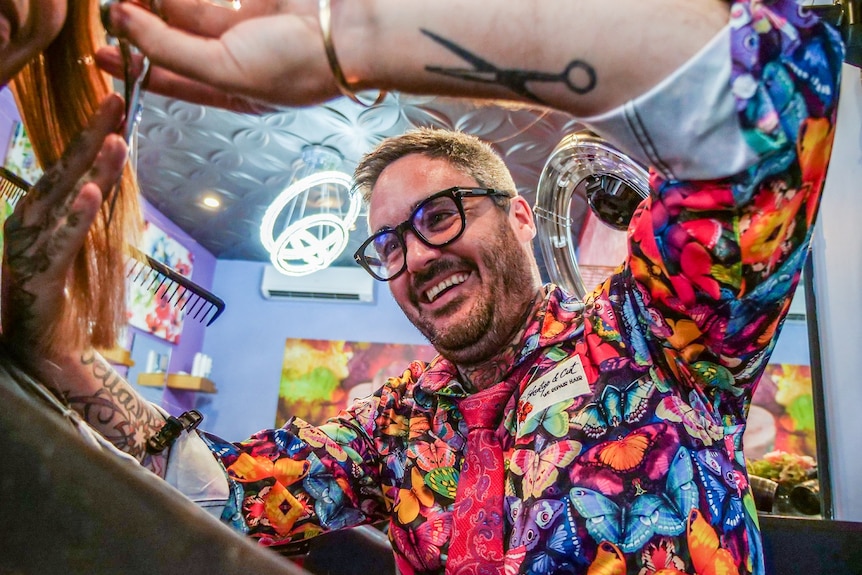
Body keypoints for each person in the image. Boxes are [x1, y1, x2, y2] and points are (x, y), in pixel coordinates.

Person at [2, 1, 845, 575]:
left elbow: (771, 95)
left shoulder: (656, 340)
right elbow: (223, 492)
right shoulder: (396, 426)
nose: (416, 257)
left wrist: (360, 31)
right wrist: (62, 358)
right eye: (388, 244)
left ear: (519, 216)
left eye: (441, 215)